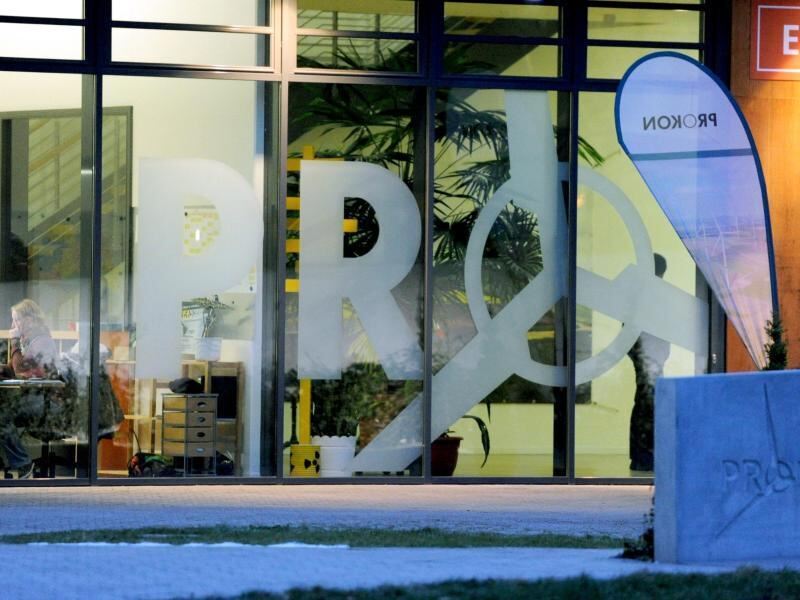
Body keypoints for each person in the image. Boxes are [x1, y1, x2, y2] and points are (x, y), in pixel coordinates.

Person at [0, 299, 58, 479]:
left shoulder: (42, 342)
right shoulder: (31, 340)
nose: (13, 325)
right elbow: (16, 369)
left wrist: (14, 342)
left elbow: (20, 370)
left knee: (2, 417)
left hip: (43, 402)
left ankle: (23, 464)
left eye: (17, 320)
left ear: (30, 319)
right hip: (32, 397)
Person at [628, 255, 671, 472]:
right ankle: (644, 456)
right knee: (648, 402)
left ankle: (642, 456)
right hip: (649, 356)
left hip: (648, 355)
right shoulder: (655, 294)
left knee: (645, 401)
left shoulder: (641, 293)